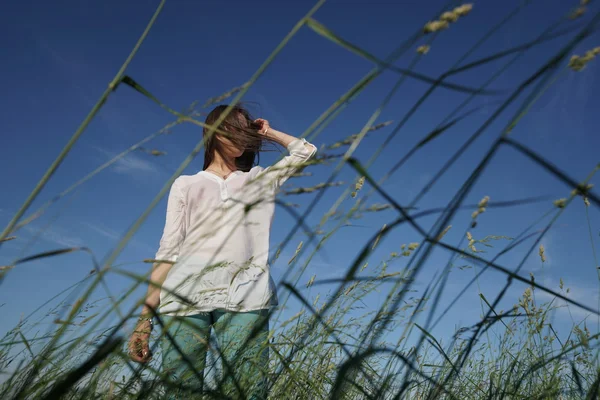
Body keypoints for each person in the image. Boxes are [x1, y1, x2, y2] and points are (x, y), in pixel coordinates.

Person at [128, 104, 317, 399]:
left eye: (246, 130)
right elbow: (168, 252)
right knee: (180, 392)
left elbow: (305, 152)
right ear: (214, 131)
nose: (243, 137)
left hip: (247, 297)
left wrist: (267, 132)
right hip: (184, 299)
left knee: (247, 391)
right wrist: (144, 321)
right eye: (235, 129)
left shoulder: (259, 179)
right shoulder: (186, 185)